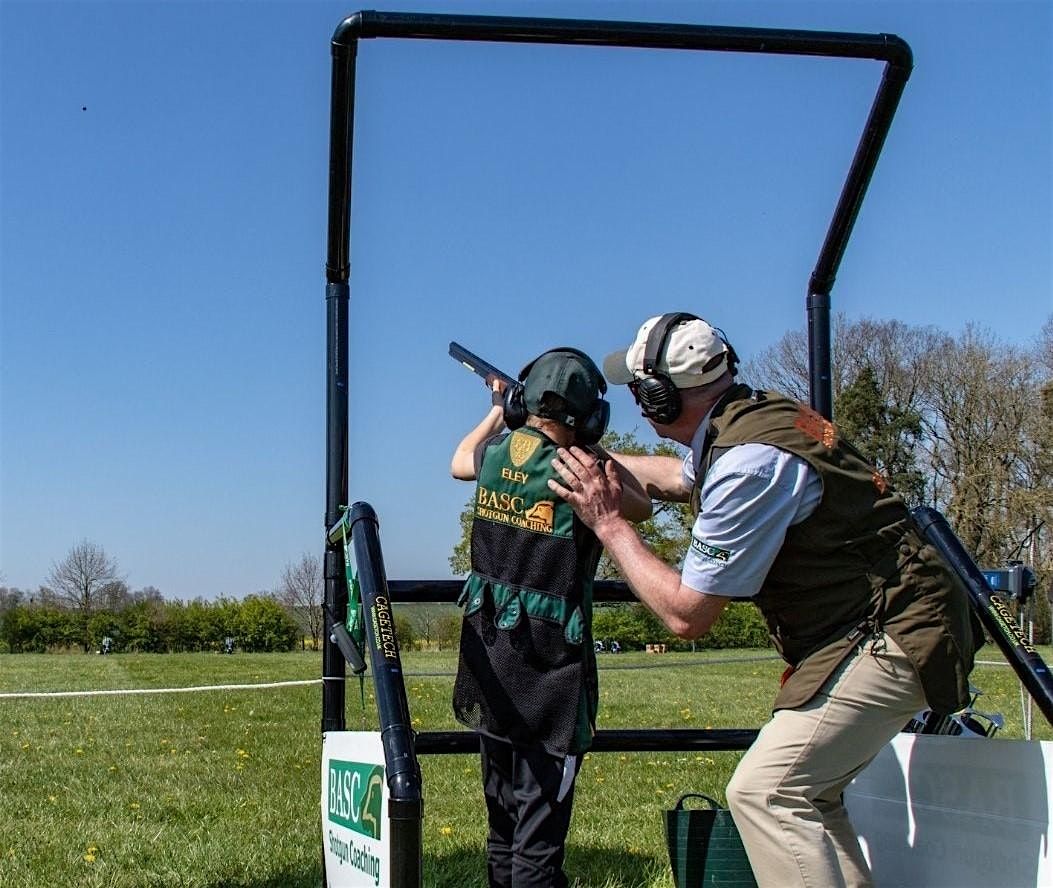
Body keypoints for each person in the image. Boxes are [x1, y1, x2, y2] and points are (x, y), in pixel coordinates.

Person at [547, 313, 981, 888]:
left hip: (894, 630)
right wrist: (579, 451)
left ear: (660, 396)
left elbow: (686, 614)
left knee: (767, 794)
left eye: (640, 389)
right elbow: (683, 479)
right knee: (810, 798)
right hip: (885, 620)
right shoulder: (755, 419)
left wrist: (607, 522)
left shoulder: (749, 465)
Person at [450, 346, 651, 888]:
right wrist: (595, 449)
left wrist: (498, 410)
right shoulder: (586, 471)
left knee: (503, 827)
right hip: (552, 678)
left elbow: (457, 460)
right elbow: (641, 504)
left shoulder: (495, 454)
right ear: (590, 418)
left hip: (489, 661)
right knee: (538, 843)